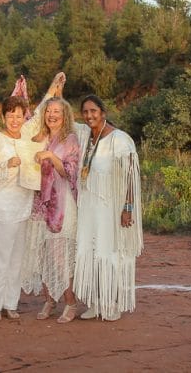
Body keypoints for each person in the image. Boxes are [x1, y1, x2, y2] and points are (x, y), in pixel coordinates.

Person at [0, 75, 64, 322]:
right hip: (2, 207)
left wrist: (54, 89)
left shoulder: (26, 135)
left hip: (23, 206)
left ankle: (10, 304)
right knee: (0, 258)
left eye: (19, 115)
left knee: (16, 259)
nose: (15, 119)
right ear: (3, 117)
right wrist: (6, 164)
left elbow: (41, 116)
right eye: (10, 115)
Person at [73, 94, 143, 321]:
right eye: (85, 112)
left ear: (103, 112)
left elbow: (131, 177)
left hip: (110, 208)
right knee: (90, 252)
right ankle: (94, 303)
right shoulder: (85, 137)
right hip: (88, 207)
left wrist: (128, 207)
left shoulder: (120, 140)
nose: (89, 115)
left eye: (93, 111)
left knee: (109, 253)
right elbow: (57, 117)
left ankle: (111, 303)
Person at [21, 96, 81, 323]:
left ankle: (70, 302)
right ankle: (49, 300)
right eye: (49, 111)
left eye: (57, 111)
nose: (52, 115)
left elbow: (69, 173)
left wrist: (51, 156)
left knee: (61, 256)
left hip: (62, 204)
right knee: (41, 252)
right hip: (40, 203)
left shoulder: (70, 139)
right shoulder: (40, 137)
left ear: (65, 115)